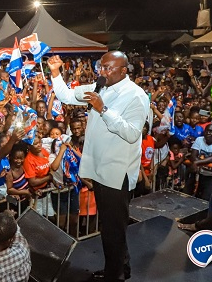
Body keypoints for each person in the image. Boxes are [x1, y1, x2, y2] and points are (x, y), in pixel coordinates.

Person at [48, 51, 149, 282]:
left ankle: (115, 275)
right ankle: (120, 267)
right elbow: (65, 95)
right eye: (101, 67)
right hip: (100, 169)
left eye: (108, 68)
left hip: (116, 172)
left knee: (113, 229)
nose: (102, 72)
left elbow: (133, 134)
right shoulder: (99, 86)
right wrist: (55, 73)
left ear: (124, 70)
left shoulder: (136, 96)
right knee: (110, 226)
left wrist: (103, 109)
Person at [184, 123, 212, 201]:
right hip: (200, 174)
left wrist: (196, 163)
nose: (209, 133)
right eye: (207, 131)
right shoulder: (199, 139)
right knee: (194, 197)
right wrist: (196, 164)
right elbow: (193, 155)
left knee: (207, 198)